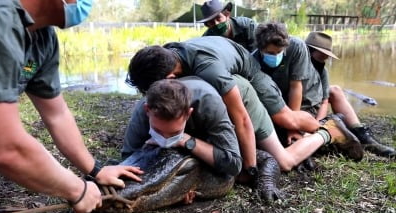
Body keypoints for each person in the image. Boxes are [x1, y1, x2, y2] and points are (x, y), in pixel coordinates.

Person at [0, 0, 143, 213]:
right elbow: (5, 147)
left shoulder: (42, 39)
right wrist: (77, 190)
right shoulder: (1, 21)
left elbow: (57, 115)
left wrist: (95, 170)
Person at [127, 42, 364, 174]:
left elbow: (241, 119)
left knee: (286, 127)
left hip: (250, 76)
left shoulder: (210, 71)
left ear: (170, 77)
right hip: (228, 79)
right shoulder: (167, 55)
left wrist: (250, 169)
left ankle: (328, 128)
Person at [123, 78, 282, 201]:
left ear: (188, 113)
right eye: (158, 131)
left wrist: (186, 140)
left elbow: (236, 164)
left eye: (174, 133)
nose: (165, 138)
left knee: (283, 159)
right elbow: (129, 158)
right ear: (147, 110)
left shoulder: (210, 105)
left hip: (243, 101)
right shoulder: (143, 111)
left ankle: (305, 138)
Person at [305, 31, 396, 158]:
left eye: (325, 57)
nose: (323, 61)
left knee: (335, 90)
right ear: (308, 52)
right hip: (300, 110)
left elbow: (325, 100)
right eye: (320, 57)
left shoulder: (322, 70)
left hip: (314, 110)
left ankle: (362, 135)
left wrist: (319, 123)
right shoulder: (295, 65)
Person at [252, 22, 324, 144]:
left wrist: (293, 126)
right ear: (260, 49)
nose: (275, 56)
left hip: (305, 98)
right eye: (270, 53)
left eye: (279, 52)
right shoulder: (253, 60)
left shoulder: (297, 47)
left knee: (293, 138)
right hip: (280, 101)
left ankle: (328, 127)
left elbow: (296, 87)